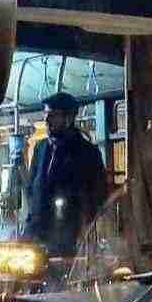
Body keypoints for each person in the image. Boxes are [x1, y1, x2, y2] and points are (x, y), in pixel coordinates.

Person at [22, 92, 106, 259]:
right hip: (35, 234)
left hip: (67, 238)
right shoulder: (40, 148)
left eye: (52, 116)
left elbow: (96, 198)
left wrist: (84, 232)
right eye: (45, 115)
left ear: (68, 119)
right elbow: (32, 187)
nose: (46, 121)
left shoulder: (87, 153)